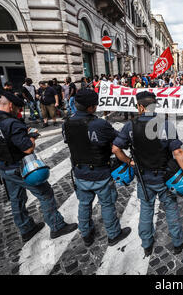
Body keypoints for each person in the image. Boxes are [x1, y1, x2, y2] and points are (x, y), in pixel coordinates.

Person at [0, 93, 77, 242]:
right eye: (18, 108)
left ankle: (26, 228)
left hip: (3, 167)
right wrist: (32, 135)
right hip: (19, 168)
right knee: (45, 194)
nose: (18, 111)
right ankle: (57, 226)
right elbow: (27, 149)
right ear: (11, 105)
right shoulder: (12, 123)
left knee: (16, 199)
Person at [111, 92, 183, 256]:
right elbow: (178, 152)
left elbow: (115, 149)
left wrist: (129, 161)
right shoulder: (166, 124)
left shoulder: (130, 125)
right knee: (171, 209)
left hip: (144, 177)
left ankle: (146, 243)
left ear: (141, 107)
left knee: (146, 209)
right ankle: (178, 242)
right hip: (165, 177)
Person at [63, 89, 131, 247]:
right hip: (100, 171)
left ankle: (86, 234)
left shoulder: (67, 122)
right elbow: (119, 139)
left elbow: (69, 141)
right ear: (90, 108)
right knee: (107, 204)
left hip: (79, 171)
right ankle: (113, 234)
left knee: (84, 204)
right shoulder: (99, 124)